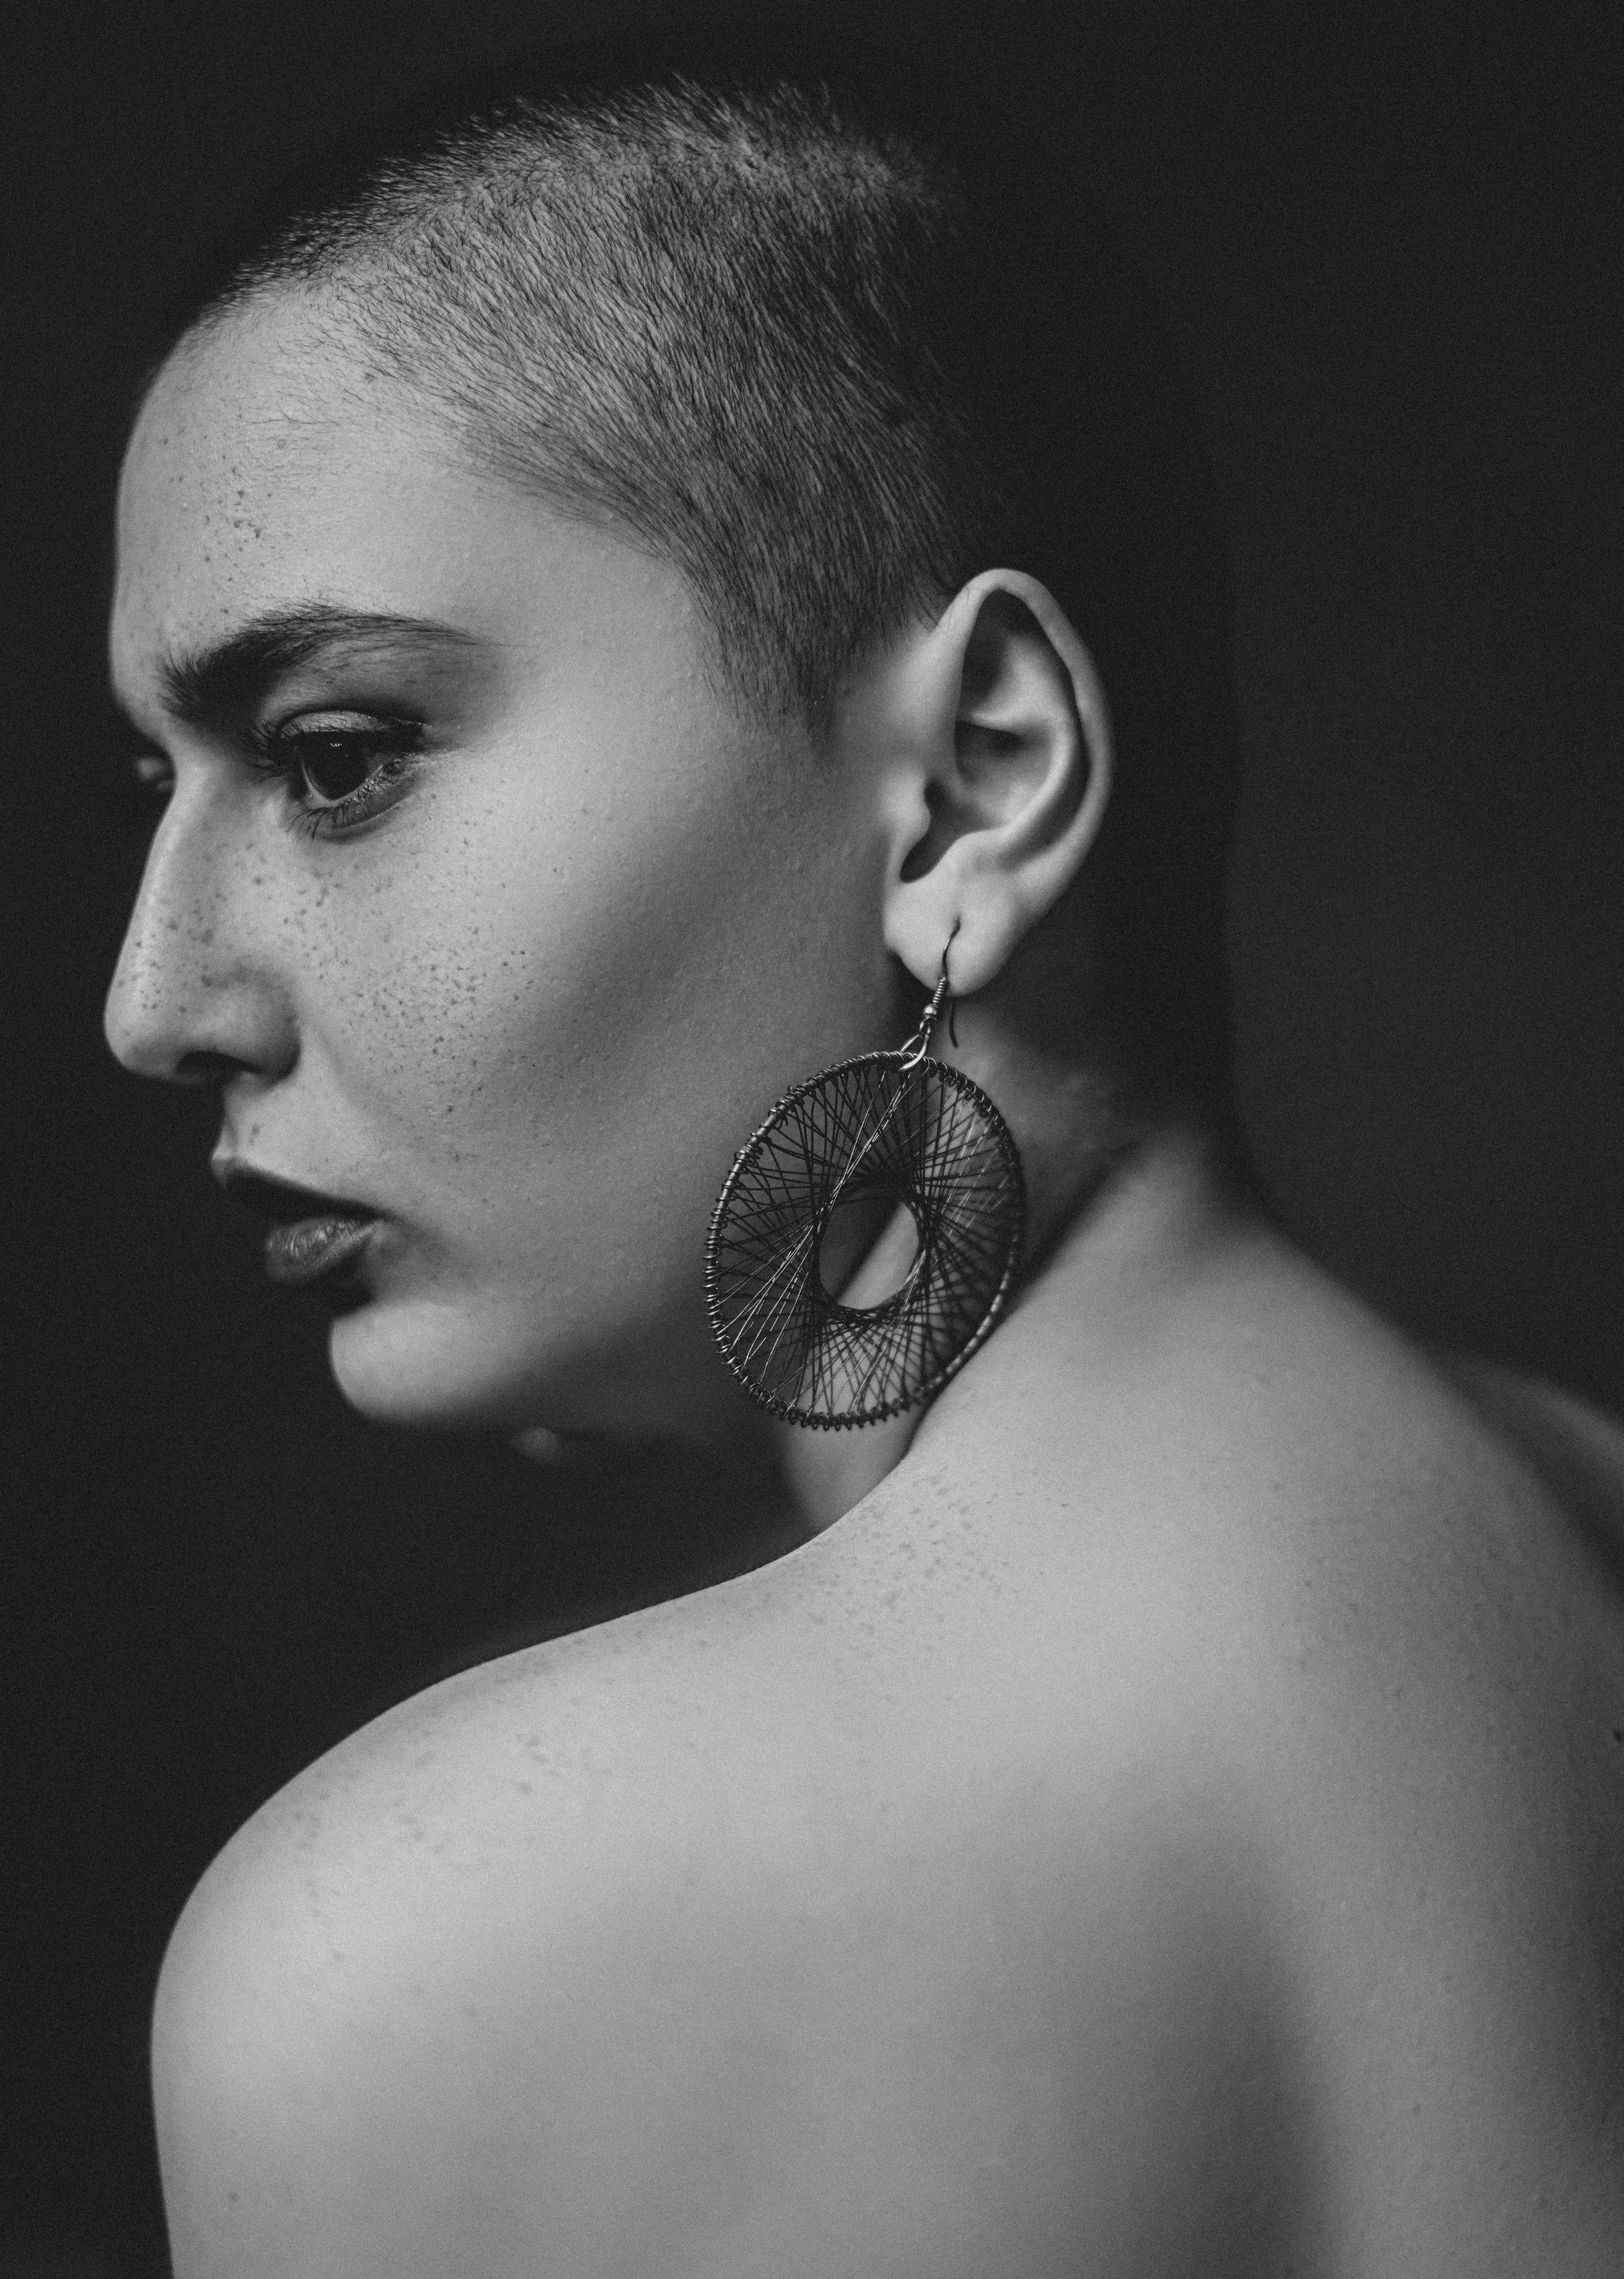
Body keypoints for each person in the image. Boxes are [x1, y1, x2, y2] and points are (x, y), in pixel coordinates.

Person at [102, 19, 1624, 2276]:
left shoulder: (414, 1943)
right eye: (162, 796)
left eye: (332, 760)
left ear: (973, 782)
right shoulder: (1580, 1530)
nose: (155, 1000)